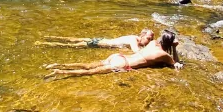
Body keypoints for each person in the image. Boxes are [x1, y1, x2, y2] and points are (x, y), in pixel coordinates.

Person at [44, 30, 180, 78]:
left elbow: (156, 41)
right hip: (124, 64)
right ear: (169, 44)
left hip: (118, 56)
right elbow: (176, 64)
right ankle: (60, 72)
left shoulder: (152, 43)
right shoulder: (163, 55)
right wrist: (174, 49)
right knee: (88, 72)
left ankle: (58, 65)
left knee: (88, 66)